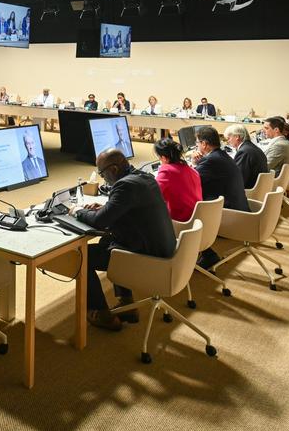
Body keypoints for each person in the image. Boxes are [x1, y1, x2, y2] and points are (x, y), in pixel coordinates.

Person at [75, 149, 176, 331]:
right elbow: (131, 208)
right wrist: (109, 207)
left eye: (102, 173)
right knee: (107, 241)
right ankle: (126, 302)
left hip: (148, 256)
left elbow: (99, 221)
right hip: (162, 247)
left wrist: (77, 211)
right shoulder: (144, 177)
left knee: (81, 257)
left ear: (113, 169)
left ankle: (103, 314)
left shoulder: (125, 186)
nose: (103, 178)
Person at [192, 127, 248, 212]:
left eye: (197, 142)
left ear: (204, 144)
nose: (197, 145)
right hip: (239, 208)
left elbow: (191, 179)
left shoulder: (210, 160)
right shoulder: (223, 155)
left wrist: (193, 163)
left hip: (230, 214)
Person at [154, 138, 202, 222]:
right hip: (197, 218)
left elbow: (152, 194)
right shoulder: (191, 170)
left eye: (159, 157)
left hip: (181, 222)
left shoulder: (166, 171)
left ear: (164, 158)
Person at [224, 124, 269, 188]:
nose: (228, 141)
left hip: (249, 191)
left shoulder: (244, 152)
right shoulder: (252, 148)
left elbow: (238, 179)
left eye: (228, 138)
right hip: (259, 190)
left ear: (237, 137)